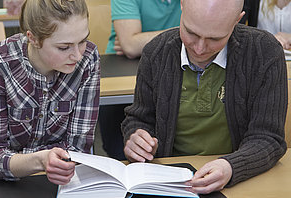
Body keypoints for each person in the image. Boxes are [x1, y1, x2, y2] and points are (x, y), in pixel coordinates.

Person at [121, 0, 287, 194]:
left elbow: (269, 138)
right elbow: (139, 119)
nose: (199, 48)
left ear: (237, 20)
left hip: (241, 181)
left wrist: (230, 167)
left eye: (215, 38)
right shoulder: (156, 52)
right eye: (191, 33)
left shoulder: (264, 52)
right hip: (170, 182)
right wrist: (135, 139)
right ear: (182, 5)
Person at [0, 0, 100, 185]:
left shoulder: (88, 59)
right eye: (64, 47)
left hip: (57, 182)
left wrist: (3, 160)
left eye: (83, 41)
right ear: (33, 38)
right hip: (4, 187)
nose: (78, 55)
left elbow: (78, 150)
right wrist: (41, 160)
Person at [99, 0, 182, 161]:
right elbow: (130, 46)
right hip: (119, 77)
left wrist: (141, 40)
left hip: (174, 72)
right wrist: (184, 33)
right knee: (123, 151)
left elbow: (211, 28)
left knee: (173, 153)